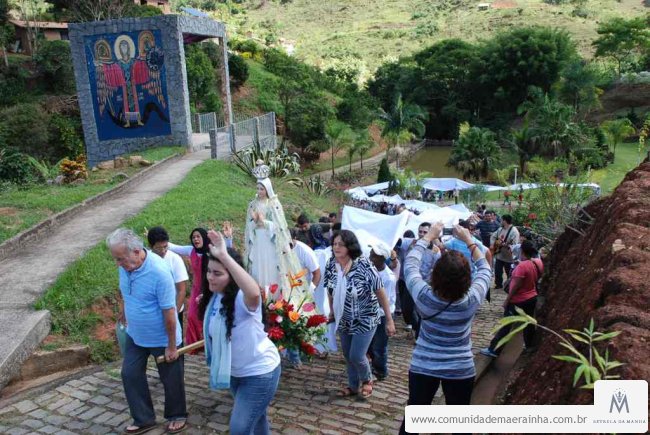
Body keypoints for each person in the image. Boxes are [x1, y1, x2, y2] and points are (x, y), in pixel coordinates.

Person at [399, 223, 491, 434]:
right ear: (467, 278)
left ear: (436, 275)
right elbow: (485, 268)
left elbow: (410, 265)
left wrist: (428, 237)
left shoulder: (424, 296)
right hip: (460, 366)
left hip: (424, 365)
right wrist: (469, 240)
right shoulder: (471, 300)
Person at [199, 230, 281, 435]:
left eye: (218, 273)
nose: (210, 277)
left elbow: (254, 293)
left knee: (239, 428)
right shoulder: (214, 298)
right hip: (235, 373)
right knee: (257, 419)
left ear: (232, 276)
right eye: (209, 271)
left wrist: (224, 255)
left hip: (260, 372)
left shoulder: (241, 299)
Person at [107, 228, 187, 435]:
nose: (118, 264)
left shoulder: (159, 272)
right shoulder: (126, 266)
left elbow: (169, 313)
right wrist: (124, 311)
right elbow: (125, 292)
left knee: (171, 380)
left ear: (136, 251)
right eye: (116, 259)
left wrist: (171, 346)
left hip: (162, 337)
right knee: (130, 374)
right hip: (135, 335)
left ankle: (177, 415)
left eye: (120, 259)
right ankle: (144, 419)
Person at [325, 230, 396, 398]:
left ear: (350, 246)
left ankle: (367, 380)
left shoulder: (364, 264)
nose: (336, 247)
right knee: (348, 355)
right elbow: (330, 290)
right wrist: (332, 311)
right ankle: (353, 386)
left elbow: (380, 291)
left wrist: (389, 319)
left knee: (357, 355)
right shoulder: (331, 264)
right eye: (334, 244)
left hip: (366, 317)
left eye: (341, 244)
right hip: (343, 317)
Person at [245, 162, 310, 305]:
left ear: (267, 189)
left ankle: (273, 299)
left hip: (270, 241)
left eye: (262, 189)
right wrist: (254, 222)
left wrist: (265, 222)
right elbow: (249, 226)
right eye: (258, 188)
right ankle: (259, 298)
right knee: (258, 268)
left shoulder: (273, 204)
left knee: (271, 268)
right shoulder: (253, 204)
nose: (259, 191)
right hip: (258, 241)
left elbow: (279, 226)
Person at [169, 224, 233, 347]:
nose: (196, 239)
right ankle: (196, 345)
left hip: (211, 289)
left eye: (198, 236)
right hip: (196, 289)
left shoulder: (212, 251)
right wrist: (157, 239)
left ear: (204, 237)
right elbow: (174, 247)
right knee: (192, 316)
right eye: (193, 237)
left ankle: (209, 343)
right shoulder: (191, 251)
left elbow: (227, 253)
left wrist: (228, 238)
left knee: (209, 315)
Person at [481, 240, 542, 358]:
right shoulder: (537, 262)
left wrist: (507, 300)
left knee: (506, 324)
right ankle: (529, 345)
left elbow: (515, 287)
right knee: (528, 324)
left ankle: (494, 349)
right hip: (532, 297)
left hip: (518, 300)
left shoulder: (521, 267)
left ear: (522, 250)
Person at [147, 226, 189, 335]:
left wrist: (174, 315)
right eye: (158, 248)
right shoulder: (146, 261)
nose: (163, 251)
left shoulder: (175, 259)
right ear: (150, 246)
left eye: (165, 246)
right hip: (153, 313)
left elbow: (181, 290)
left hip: (173, 310)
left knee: (175, 342)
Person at [368, 242, 397, 381]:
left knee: (379, 345)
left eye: (374, 256)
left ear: (382, 259)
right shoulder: (369, 269)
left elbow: (385, 301)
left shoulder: (388, 277)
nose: (370, 257)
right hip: (369, 312)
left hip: (382, 314)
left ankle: (380, 371)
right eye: (371, 254)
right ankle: (371, 366)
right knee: (369, 343)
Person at [490, 214, 520, 290]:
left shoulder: (514, 231)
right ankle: (498, 284)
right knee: (498, 271)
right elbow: (493, 236)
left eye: (502, 220)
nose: (500, 221)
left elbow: (514, 245)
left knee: (509, 272)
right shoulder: (500, 229)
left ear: (505, 221)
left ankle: (510, 286)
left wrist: (505, 245)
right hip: (500, 254)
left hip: (509, 257)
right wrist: (492, 244)